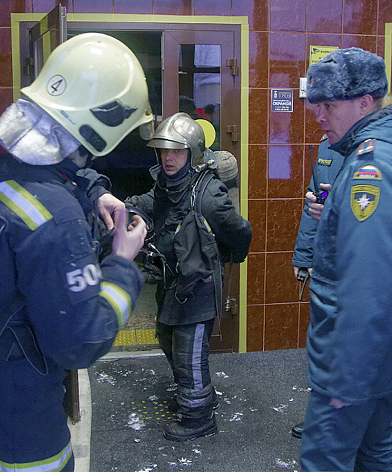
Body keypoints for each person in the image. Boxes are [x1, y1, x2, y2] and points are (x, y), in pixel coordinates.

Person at [0, 33, 153, 471]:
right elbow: (81, 341)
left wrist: (93, 193)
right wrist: (122, 263)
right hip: (15, 438)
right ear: (101, 124)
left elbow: (40, 168)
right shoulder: (53, 217)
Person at [299, 47, 392, 471]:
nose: (319, 115)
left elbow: (371, 282)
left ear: (365, 102)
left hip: (354, 360)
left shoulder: (372, 168)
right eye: (315, 105)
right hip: (383, 352)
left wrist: (348, 378)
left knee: (326, 460)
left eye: (328, 105)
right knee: (375, 449)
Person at [125, 112, 252, 441]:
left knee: (189, 350)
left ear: (192, 153)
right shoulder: (167, 184)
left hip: (198, 285)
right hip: (172, 282)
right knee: (167, 339)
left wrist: (229, 257)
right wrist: (131, 208)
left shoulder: (208, 196)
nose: (168, 157)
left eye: (176, 151)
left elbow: (239, 231)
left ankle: (198, 417)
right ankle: (199, 394)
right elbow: (154, 202)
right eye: (164, 150)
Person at [289, 135, 345, 440]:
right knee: (323, 342)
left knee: (345, 343)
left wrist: (337, 211)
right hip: (325, 260)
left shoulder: (374, 152)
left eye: (328, 106)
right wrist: (303, 255)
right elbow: (314, 202)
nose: (320, 115)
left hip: (354, 264)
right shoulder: (326, 146)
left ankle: (340, 420)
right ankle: (323, 414)